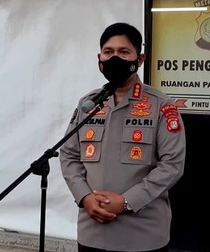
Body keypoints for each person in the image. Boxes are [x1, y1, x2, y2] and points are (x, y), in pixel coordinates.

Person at [59, 22, 186, 252]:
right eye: (108, 52)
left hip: (142, 235)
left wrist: (126, 201)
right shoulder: (89, 104)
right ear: (99, 58)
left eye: (123, 52)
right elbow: (68, 155)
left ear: (139, 59)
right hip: (92, 233)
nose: (114, 58)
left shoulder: (160, 106)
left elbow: (172, 165)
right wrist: (85, 197)